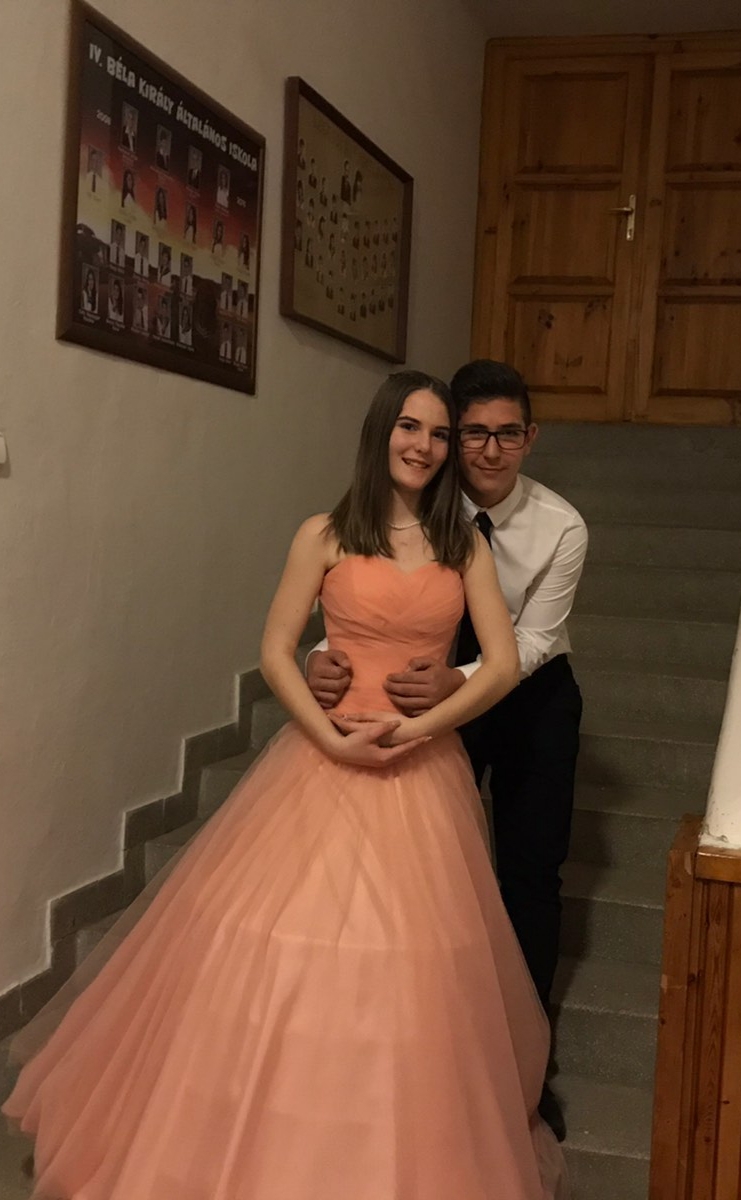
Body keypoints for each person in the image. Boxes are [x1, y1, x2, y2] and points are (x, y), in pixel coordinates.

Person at [3, 372, 569, 1200]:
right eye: (409, 427)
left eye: (439, 433)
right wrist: (330, 736)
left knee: (410, 962)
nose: (423, 446)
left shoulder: (462, 545)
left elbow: (504, 663)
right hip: (321, 760)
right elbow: (275, 650)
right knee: (277, 942)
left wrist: (419, 730)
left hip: (418, 769)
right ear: (380, 432)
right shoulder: (324, 533)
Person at [307, 360, 588, 1142]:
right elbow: (365, 598)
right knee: (418, 878)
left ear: (529, 438)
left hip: (526, 695)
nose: (490, 450)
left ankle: (525, 1068)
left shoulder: (562, 526)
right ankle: (406, 1041)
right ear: (453, 439)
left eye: (508, 434)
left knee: (528, 874)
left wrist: (453, 681)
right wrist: (319, 657)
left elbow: (529, 642)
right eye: (473, 434)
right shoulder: (415, 497)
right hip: (417, 692)